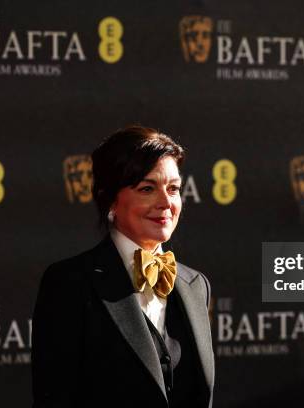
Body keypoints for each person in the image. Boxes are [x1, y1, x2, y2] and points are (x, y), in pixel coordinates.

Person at [31, 126, 215, 408]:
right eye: (147, 188)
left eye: (174, 189)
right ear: (110, 199)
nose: (166, 202)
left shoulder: (196, 285)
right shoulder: (70, 283)